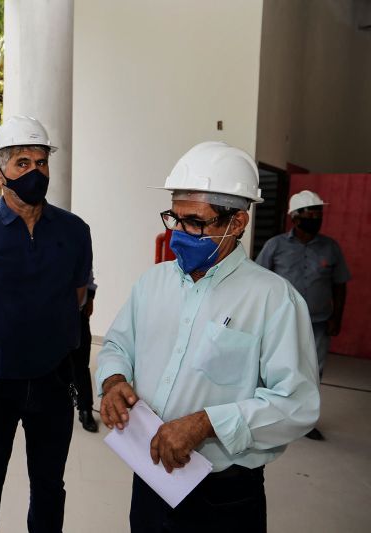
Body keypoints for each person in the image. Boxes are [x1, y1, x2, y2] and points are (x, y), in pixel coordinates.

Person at [97, 141, 320, 533]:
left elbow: (297, 404)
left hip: (224, 495)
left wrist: (207, 424)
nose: (179, 233)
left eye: (196, 223)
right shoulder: (153, 283)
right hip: (149, 477)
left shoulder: (273, 299)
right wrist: (113, 379)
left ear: (237, 223)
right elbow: (117, 345)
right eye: (174, 218)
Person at [0, 116, 93, 533]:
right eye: (23, 163)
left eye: (41, 163)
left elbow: (78, 297)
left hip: (53, 379)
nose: (35, 172)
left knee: (49, 485)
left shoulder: (74, 230)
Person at [255, 190, 350, 440]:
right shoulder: (275, 245)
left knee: (313, 372)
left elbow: (340, 284)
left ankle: (305, 422)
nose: (317, 217)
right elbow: (257, 280)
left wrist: (336, 317)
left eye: (319, 213)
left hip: (318, 322)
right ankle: (269, 416)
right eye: (311, 213)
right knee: (273, 369)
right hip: (280, 322)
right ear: (295, 218)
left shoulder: (331, 247)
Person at [71, 271, 99, 432]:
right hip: (50, 315)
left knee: (81, 363)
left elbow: (86, 270)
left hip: (78, 314)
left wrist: (90, 297)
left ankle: (85, 409)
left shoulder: (79, 245)